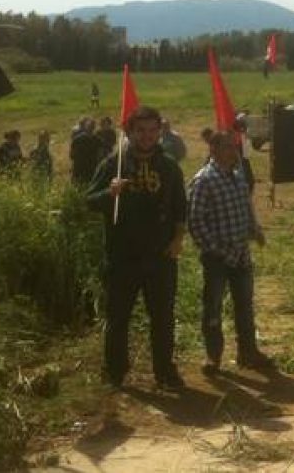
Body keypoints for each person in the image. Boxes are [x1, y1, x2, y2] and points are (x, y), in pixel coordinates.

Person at [86, 106, 187, 390]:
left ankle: (165, 371)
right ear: (129, 132)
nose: (147, 136)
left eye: (152, 130)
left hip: (161, 256)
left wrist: (178, 240)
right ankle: (115, 371)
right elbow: (88, 200)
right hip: (122, 256)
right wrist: (110, 192)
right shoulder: (113, 163)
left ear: (160, 131)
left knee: (163, 317)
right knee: (118, 317)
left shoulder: (169, 166)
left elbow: (181, 208)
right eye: (140, 130)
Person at [187, 129, 273, 373]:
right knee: (212, 307)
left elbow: (246, 209)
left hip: (241, 256)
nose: (233, 151)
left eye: (234, 146)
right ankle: (213, 357)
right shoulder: (204, 180)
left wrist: (255, 231)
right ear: (213, 150)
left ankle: (248, 352)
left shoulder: (238, 177)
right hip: (217, 258)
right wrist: (216, 250)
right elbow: (196, 222)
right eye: (227, 146)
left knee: (244, 306)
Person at [70, 118, 104, 185]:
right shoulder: (98, 141)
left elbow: (71, 155)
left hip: (79, 169)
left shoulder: (77, 139)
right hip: (92, 170)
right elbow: (100, 156)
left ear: (85, 127)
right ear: (94, 128)